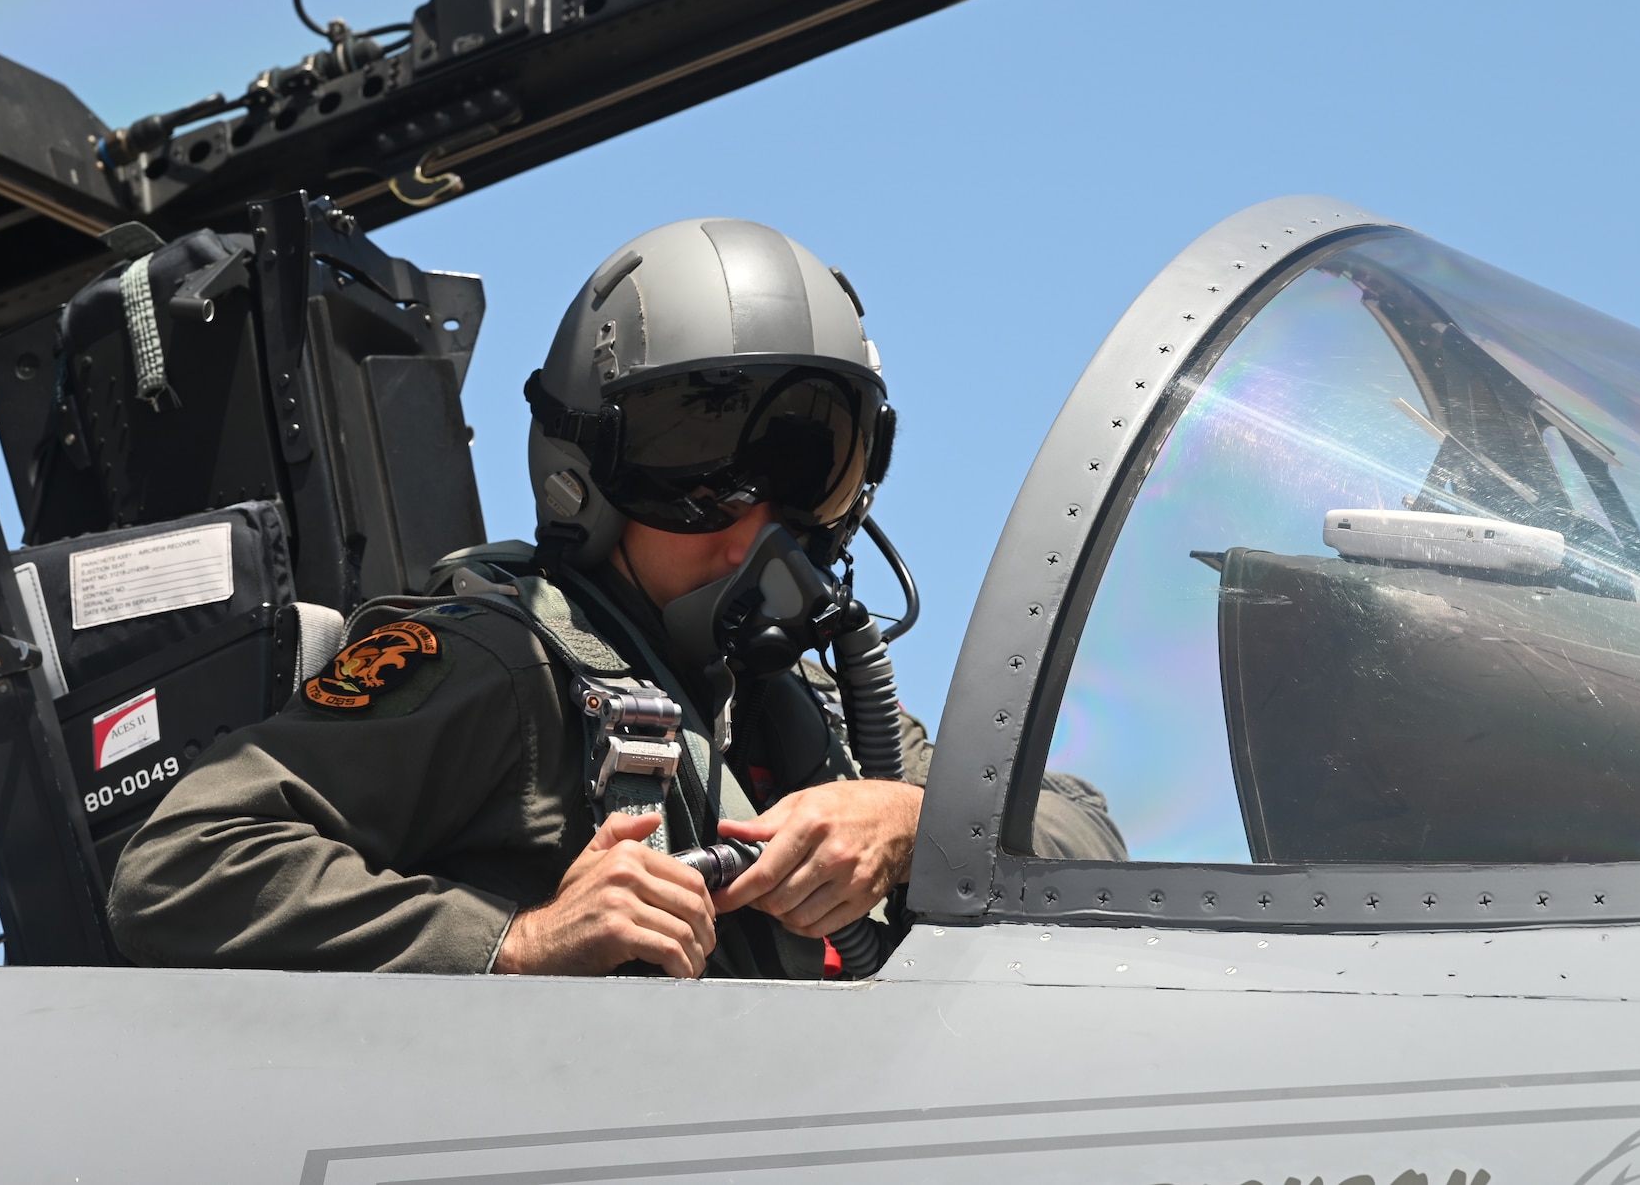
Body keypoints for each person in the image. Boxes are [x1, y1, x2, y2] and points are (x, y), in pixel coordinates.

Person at [107, 219, 1124, 978]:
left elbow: (1085, 837)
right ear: (579, 475)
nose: (751, 522)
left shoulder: (818, 714)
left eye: (804, 465)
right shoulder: (499, 664)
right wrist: (518, 941)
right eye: (696, 466)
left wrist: (905, 819)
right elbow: (184, 865)